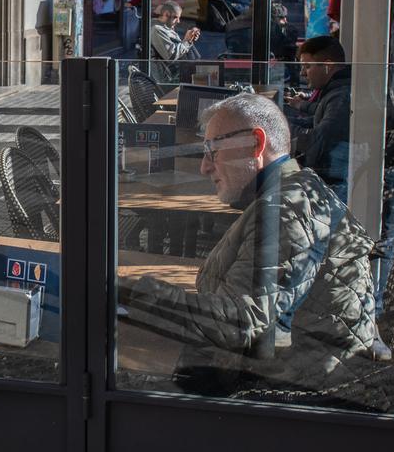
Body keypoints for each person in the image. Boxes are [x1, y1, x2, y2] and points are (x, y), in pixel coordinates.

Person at [118, 93, 377, 396]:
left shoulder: (285, 211)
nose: (204, 167)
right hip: (289, 374)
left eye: (212, 150)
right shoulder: (294, 192)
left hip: (284, 397)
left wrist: (128, 293)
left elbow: (241, 323)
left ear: (256, 143)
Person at [288, 35, 351, 202]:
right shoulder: (335, 91)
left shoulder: (340, 98)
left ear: (327, 66)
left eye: (307, 66)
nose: (302, 73)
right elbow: (318, 121)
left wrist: (283, 127)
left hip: (333, 188)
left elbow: (319, 140)